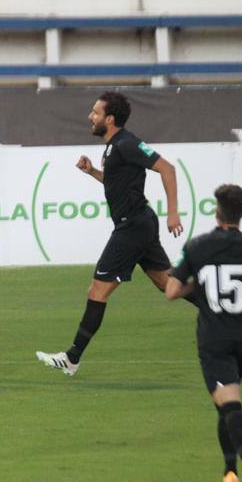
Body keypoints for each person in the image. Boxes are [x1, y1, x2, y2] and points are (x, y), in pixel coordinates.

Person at [37, 91, 184, 376]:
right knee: (169, 285)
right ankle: (228, 306)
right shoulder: (113, 147)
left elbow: (167, 169)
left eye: (95, 112)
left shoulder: (127, 143)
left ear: (110, 119)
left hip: (133, 227)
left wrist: (173, 212)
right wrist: (93, 172)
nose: (90, 117)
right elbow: (118, 184)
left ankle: (72, 358)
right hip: (137, 224)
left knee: (97, 290)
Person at [165, 184, 242, 482]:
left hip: (216, 340)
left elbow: (171, 291)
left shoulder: (198, 246)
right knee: (225, 408)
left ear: (216, 211)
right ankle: (229, 475)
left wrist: (196, 288)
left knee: (229, 406)